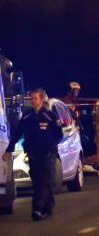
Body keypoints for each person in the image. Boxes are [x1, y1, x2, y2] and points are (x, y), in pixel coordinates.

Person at [2, 88, 63, 221]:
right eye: (31, 98)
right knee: (37, 182)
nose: (33, 101)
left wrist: (51, 146)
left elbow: (59, 134)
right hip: (33, 154)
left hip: (47, 154)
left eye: (35, 98)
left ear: (41, 99)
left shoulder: (50, 116)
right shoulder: (27, 117)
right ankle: (48, 207)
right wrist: (9, 149)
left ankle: (38, 209)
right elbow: (18, 133)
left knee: (45, 182)